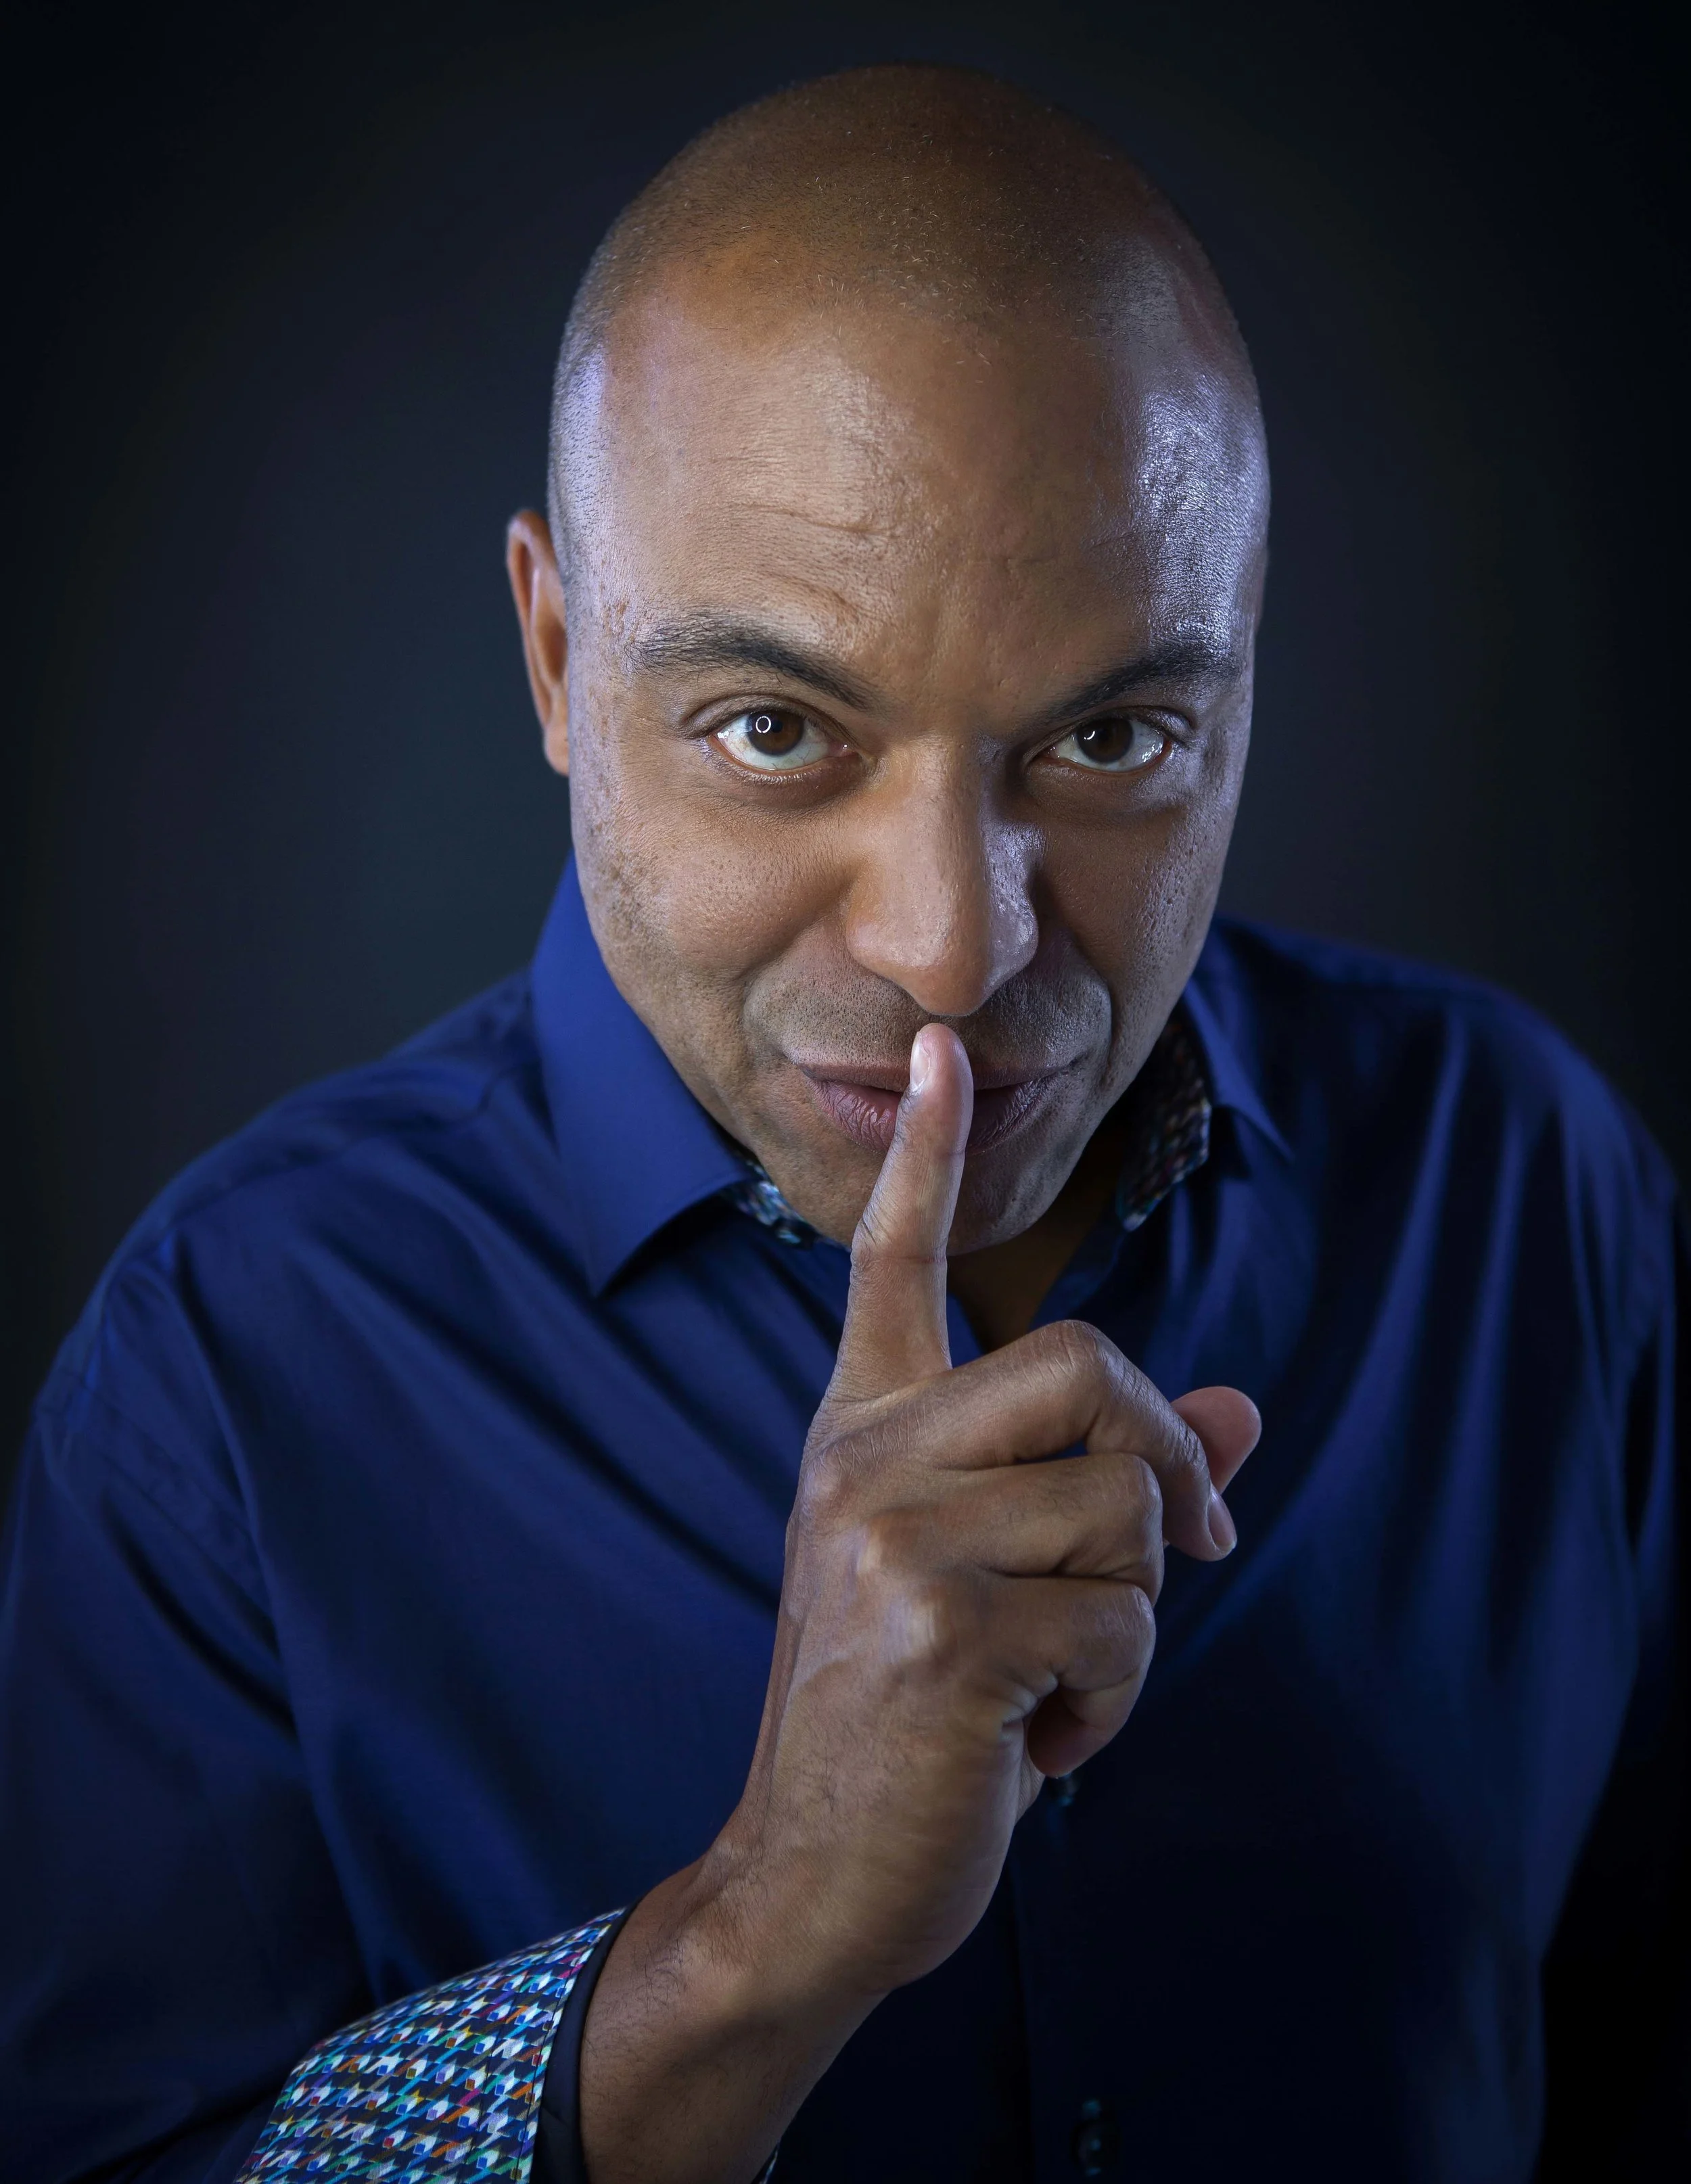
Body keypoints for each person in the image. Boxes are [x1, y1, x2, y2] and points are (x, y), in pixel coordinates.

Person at [0, 62, 1682, 2184]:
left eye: (1111, 735)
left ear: (1243, 676)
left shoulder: (1526, 1193)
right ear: (548, 651)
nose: (951, 948)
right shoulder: (225, 1377)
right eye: (776, 731)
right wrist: (752, 1940)